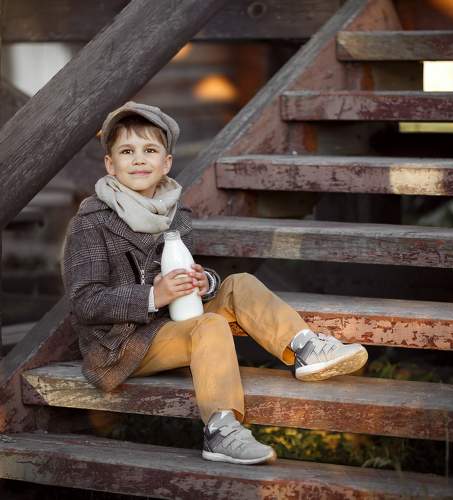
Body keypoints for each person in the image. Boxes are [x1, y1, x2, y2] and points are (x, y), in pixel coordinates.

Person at [62, 101, 368, 466]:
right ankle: (222, 430)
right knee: (210, 324)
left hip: (171, 324)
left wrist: (202, 282)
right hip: (122, 344)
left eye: (150, 150)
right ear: (111, 165)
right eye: (127, 152)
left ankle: (304, 347)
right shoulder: (91, 222)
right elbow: (85, 301)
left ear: (167, 163)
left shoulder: (176, 213)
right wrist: (153, 295)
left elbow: (184, 276)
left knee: (238, 283)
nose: (139, 160)